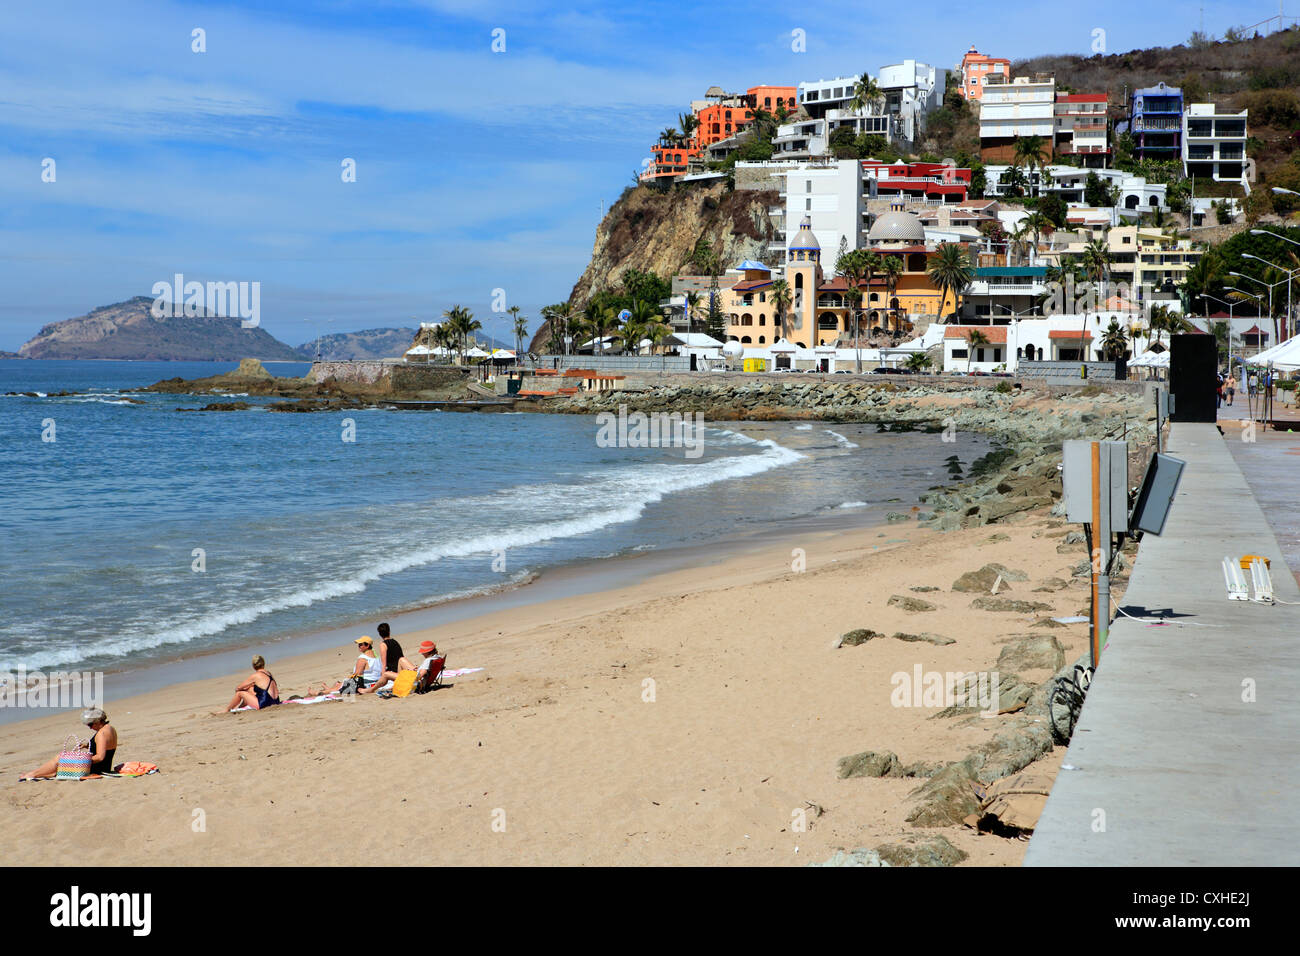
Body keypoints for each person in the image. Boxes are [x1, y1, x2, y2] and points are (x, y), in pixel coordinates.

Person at [20, 708, 117, 780]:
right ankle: (35, 774)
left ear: (98, 721)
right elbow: (105, 746)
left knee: (61, 758)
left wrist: (80, 760)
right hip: (105, 766)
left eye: (90, 725)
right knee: (62, 762)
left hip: (95, 769)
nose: (90, 728)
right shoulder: (110, 728)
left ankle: (32, 774)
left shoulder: (101, 734)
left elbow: (100, 757)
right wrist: (87, 745)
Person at [311, 637, 384, 696]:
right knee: (340, 683)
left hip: (366, 683)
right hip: (375, 681)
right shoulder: (376, 656)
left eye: (361, 644)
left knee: (341, 685)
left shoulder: (363, 658)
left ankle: (320, 692)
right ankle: (329, 688)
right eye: (358, 644)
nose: (359, 646)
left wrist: (347, 680)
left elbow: (357, 675)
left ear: (367, 645)